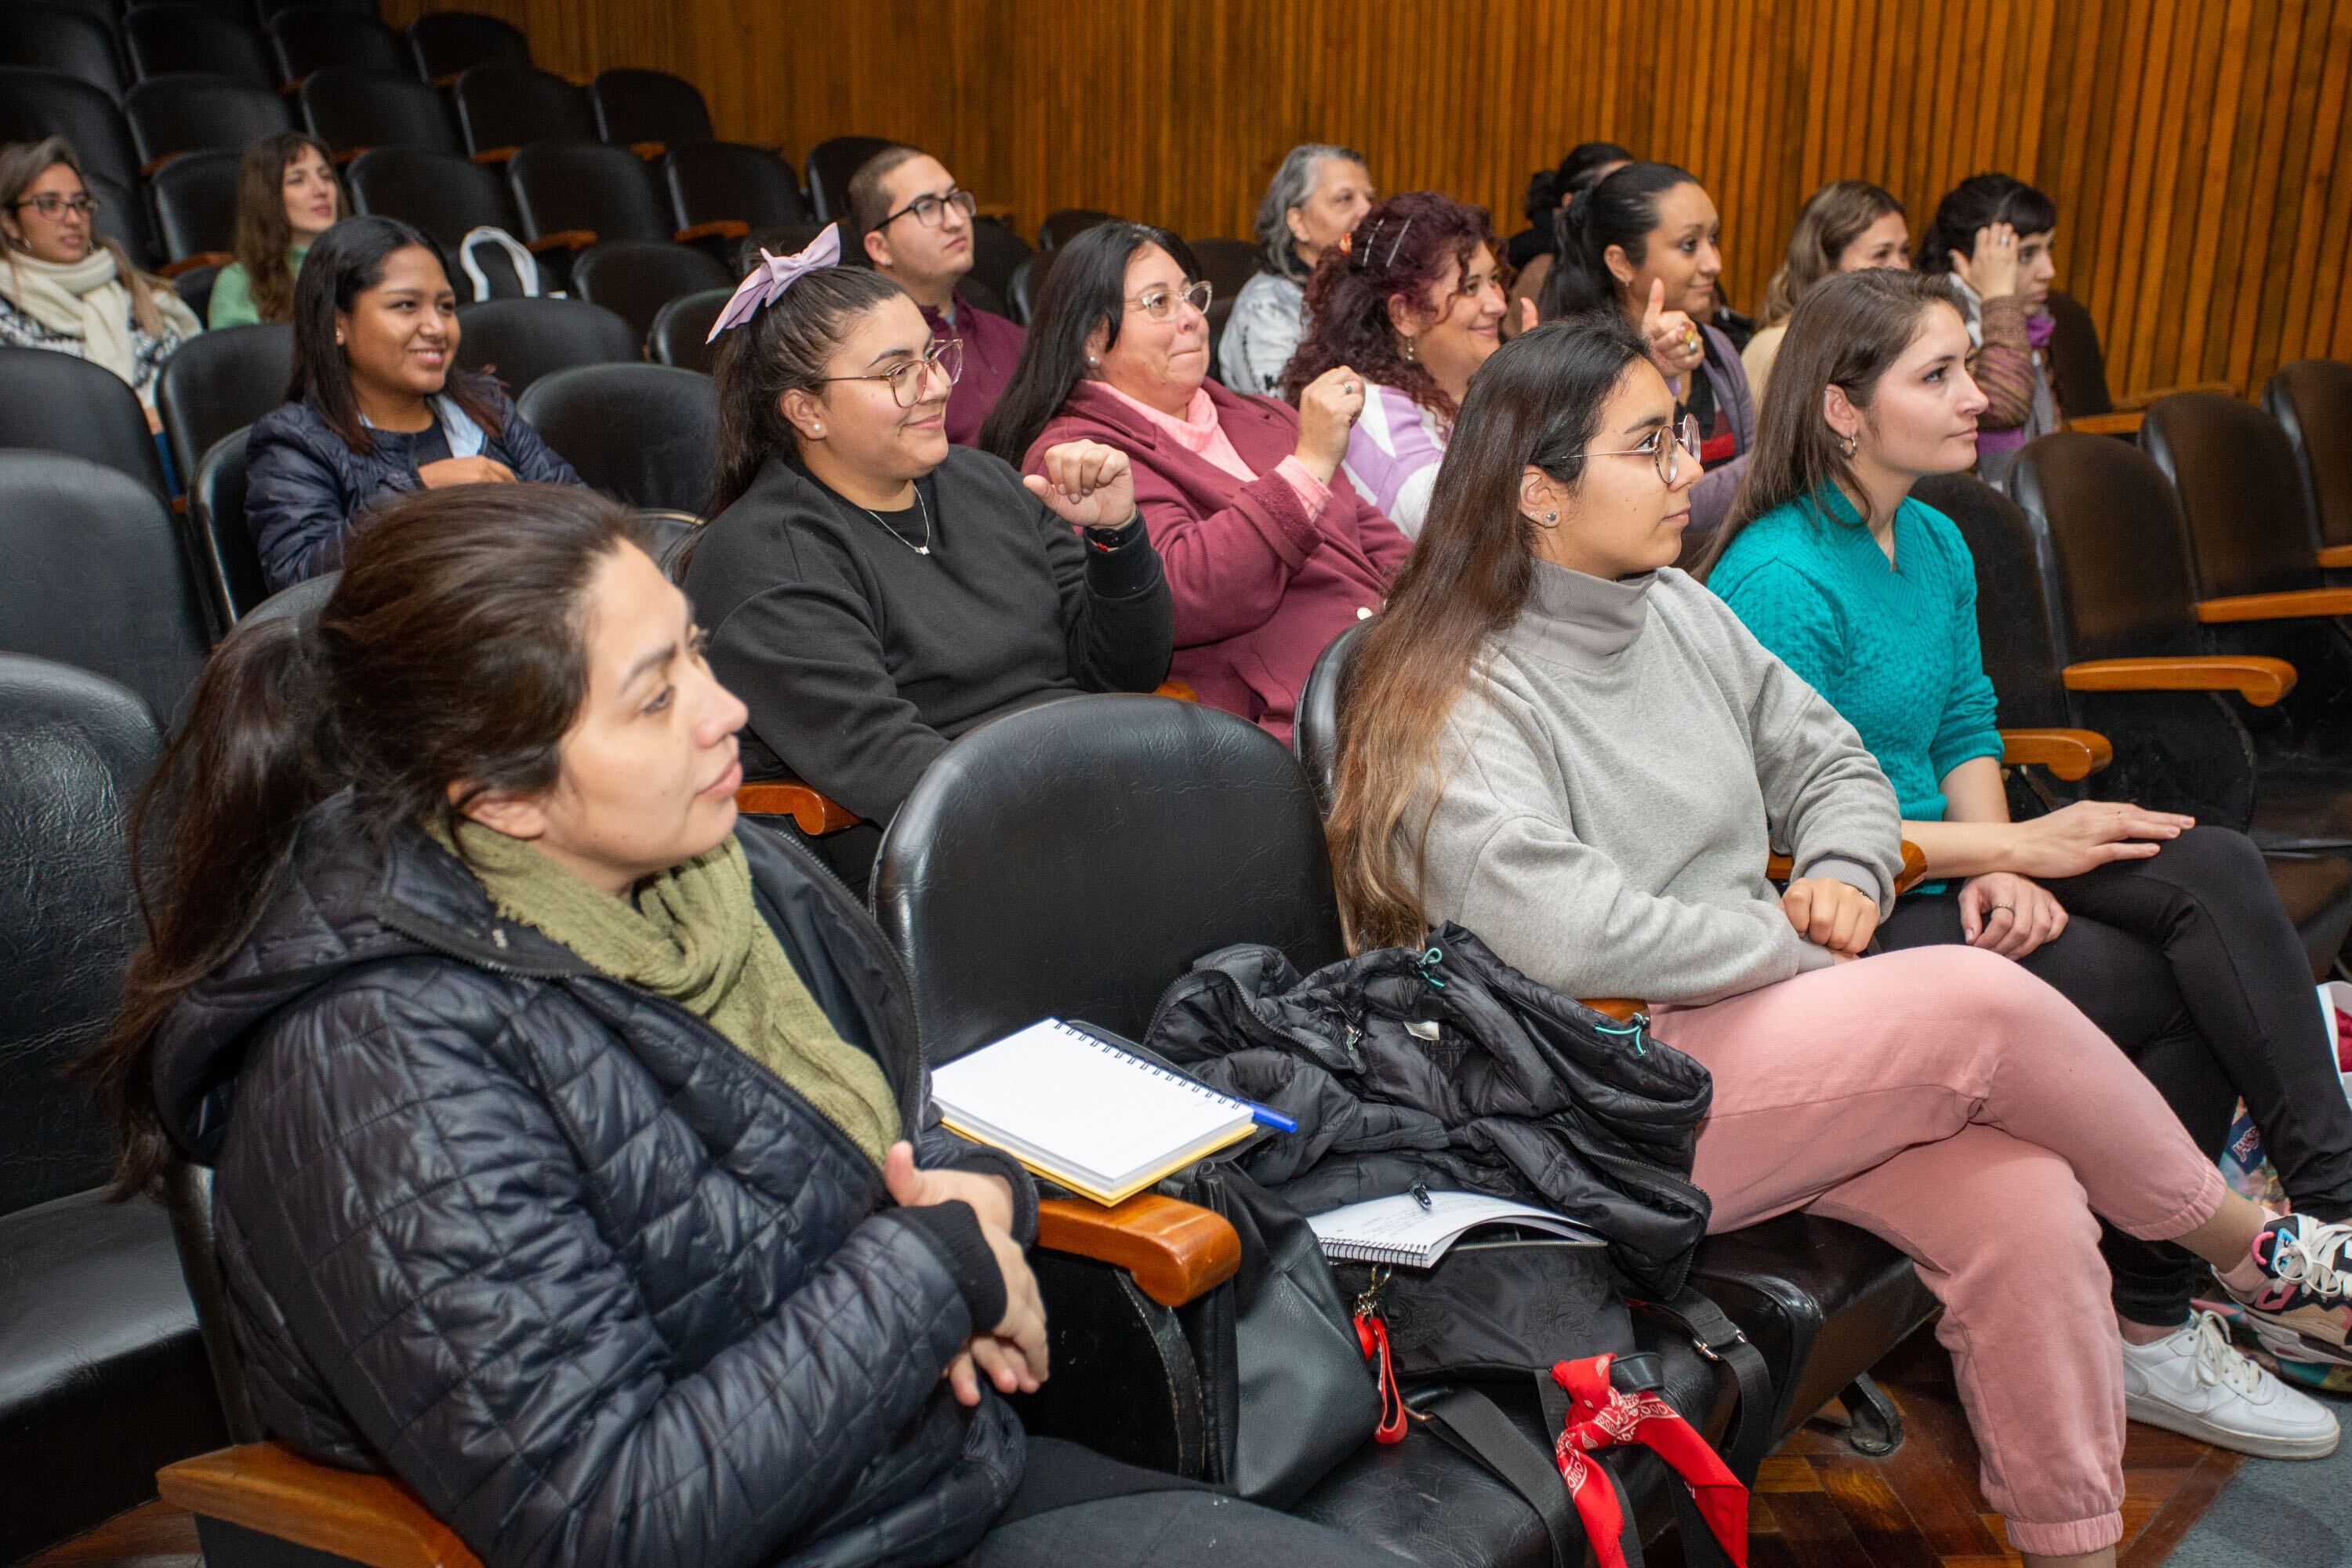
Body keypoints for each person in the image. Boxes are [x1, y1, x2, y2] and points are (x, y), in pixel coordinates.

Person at [84, 481, 1385, 1568]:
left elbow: (897, 1132)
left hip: (923, 1475)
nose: (728, 712)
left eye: (697, 654)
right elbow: (613, 1518)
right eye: (657, 696)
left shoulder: (722, 874)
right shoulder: (378, 1068)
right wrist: (939, 1269)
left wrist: (986, 1200)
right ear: (501, 794)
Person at [1321, 314, 2352, 1567]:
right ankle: (2256, 1254)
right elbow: (1568, 935)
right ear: (1539, 491)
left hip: (1746, 1043)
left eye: (1678, 438)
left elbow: (1837, 767)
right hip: (1596, 1093)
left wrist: (1843, 869)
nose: (1687, 471)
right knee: (1976, 1001)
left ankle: (2074, 1544)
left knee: (2030, 1210)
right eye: (1648, 447)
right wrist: (1795, 946)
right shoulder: (1449, 685)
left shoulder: (1676, 610)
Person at [1702, 267, 2352, 1446]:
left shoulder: (1935, 538)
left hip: (1958, 854)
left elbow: (1964, 724)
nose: (1978, 396)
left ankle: (2335, 1219)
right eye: (1938, 374)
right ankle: (2150, 1321)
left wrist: (2002, 864)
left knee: (2213, 866)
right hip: (1845, 907)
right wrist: (2007, 846)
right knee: (2171, 977)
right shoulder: (1777, 577)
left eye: (1967, 366)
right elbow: (1789, 834)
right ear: (1844, 408)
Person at [683, 227, 1174, 885]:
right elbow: (892, 766)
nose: (937, 385)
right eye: (897, 373)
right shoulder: (764, 557)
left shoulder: (985, 482)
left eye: (932, 355)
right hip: (947, 856)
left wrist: (1116, 537)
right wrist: (1095, 810)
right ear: (806, 411)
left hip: (1083, 788)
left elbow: (1126, 671)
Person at [984, 222, 1408, 742]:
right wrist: (1308, 466)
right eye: (1159, 303)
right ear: (1094, 338)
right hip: (1297, 719)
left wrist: (1436, 615)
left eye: (1191, 296)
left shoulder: (1263, 416)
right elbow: (1177, 597)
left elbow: (1378, 540)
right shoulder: (1080, 456)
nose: (1191, 318)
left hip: (1394, 669)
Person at [242, 215, 579, 591]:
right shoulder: (294, 441)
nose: (437, 328)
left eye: (446, 306)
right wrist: (418, 492)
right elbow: (298, 583)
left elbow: (581, 514)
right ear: (337, 323)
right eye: (406, 305)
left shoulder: (485, 408)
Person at [1536, 161, 1752, 539]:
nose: (1713, 263)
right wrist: (1783, 460)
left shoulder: (1716, 347)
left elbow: (1753, 475)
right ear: (1621, 263)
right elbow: (1640, 509)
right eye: (1689, 245)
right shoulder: (1584, 371)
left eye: (1713, 239)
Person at [1282, 193, 1504, 538]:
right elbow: (1468, 532)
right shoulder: (1368, 413)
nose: (1498, 304)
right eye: (1470, 287)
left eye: (1494, 280)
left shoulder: (1461, 391)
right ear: (1406, 314)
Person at [0, 137, 198, 430]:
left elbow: (186, 386)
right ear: (10, 223)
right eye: (49, 204)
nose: (73, 218)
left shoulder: (135, 292)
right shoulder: (5, 311)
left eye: (81, 204)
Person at [849, 144, 1025, 446]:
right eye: (926, 207)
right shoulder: (869, 359)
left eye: (955, 199)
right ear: (880, 247)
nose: (955, 221)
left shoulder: (1010, 337)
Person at [1916, 172, 2060, 482]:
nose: (2048, 271)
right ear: (1964, 262)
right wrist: (1999, 295)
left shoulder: (2031, 324)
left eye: (2049, 248)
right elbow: (2004, 404)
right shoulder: (1933, 328)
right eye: (2025, 255)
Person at [1218, 143, 1374, 394]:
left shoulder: (1365, 289)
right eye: (1345, 199)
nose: (1367, 212)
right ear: (1298, 222)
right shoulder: (1267, 307)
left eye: (1369, 199)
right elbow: (1284, 410)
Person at [1739, 180, 1907, 405]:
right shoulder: (1780, 347)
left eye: (1904, 252)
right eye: (1881, 254)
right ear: (1826, 265)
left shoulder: (1870, 342)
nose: (1902, 268)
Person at [207, 132, 345, 330]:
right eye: (297, 180)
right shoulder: (240, 282)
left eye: (326, 176)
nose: (321, 189)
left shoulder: (366, 261)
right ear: (267, 197)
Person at [1501, 141, 1629, 339]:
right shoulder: (1542, 273)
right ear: (1570, 202)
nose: (1629, 206)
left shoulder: (1633, 267)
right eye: (1614, 195)